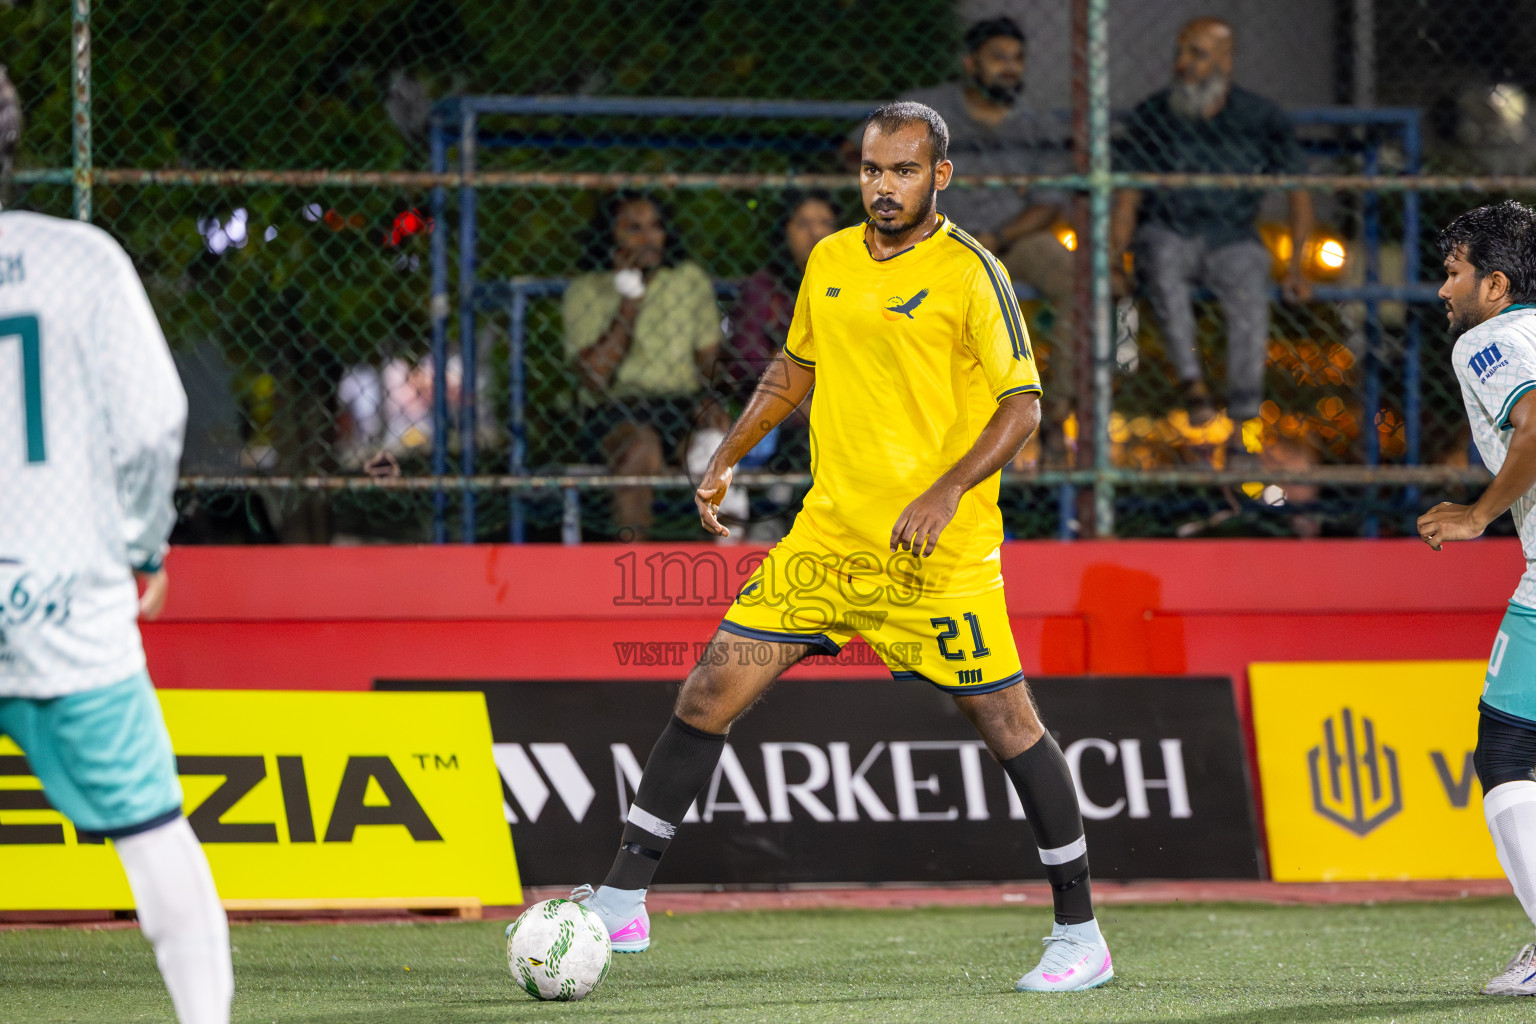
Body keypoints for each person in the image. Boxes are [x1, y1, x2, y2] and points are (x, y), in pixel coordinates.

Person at [559, 100, 1114, 994]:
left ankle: (1081, 933)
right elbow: (795, 369)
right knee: (708, 689)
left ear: (940, 175)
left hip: (938, 553)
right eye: (870, 169)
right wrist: (728, 455)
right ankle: (625, 900)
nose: (882, 186)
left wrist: (945, 490)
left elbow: (1024, 407)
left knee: (1009, 725)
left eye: (901, 170)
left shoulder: (974, 272)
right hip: (828, 540)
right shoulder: (829, 258)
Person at [0, 70, 233, 1024]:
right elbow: (152, 422)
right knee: (151, 832)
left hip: (68, 590)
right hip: (64, 593)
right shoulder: (79, 260)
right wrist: (143, 545)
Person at [846, 16, 1077, 461]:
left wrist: (998, 234)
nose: (1010, 68)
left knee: (1074, 278)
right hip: (930, 239)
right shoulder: (928, 113)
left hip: (1010, 239)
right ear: (971, 64)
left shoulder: (1033, 125)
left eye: (1017, 59)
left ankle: (1056, 414)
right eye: (998, 58)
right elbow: (854, 152)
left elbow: (1049, 204)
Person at [1417, 199, 1536, 997]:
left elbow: (1533, 425)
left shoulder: (1490, 341)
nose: (1443, 291)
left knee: (1506, 750)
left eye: (1454, 272)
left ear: (1495, 283)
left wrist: (1479, 514)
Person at [1111, 17, 1314, 470]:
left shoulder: (1259, 117)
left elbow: (1299, 193)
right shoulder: (1155, 114)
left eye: (1197, 54)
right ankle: (1193, 389)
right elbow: (1128, 197)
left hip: (1232, 235)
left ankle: (1243, 424)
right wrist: (1114, 260)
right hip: (1170, 229)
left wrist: (1298, 267)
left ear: (1225, 60)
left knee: (1249, 280)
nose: (1183, 64)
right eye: (1180, 52)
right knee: (1160, 259)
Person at [563, 192, 724, 539]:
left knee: (719, 443)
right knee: (641, 449)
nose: (648, 237)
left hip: (681, 406)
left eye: (655, 227)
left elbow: (709, 361)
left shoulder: (687, 281)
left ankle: (728, 560)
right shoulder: (586, 289)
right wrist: (629, 299)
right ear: (611, 236)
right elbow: (594, 377)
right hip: (616, 411)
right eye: (634, 228)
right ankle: (631, 561)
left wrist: (713, 399)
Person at [717, 189, 840, 467]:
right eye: (803, 224)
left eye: (825, 223)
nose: (815, 233)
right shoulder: (763, 289)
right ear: (784, 232)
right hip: (782, 409)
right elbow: (746, 361)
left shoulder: (857, 284)